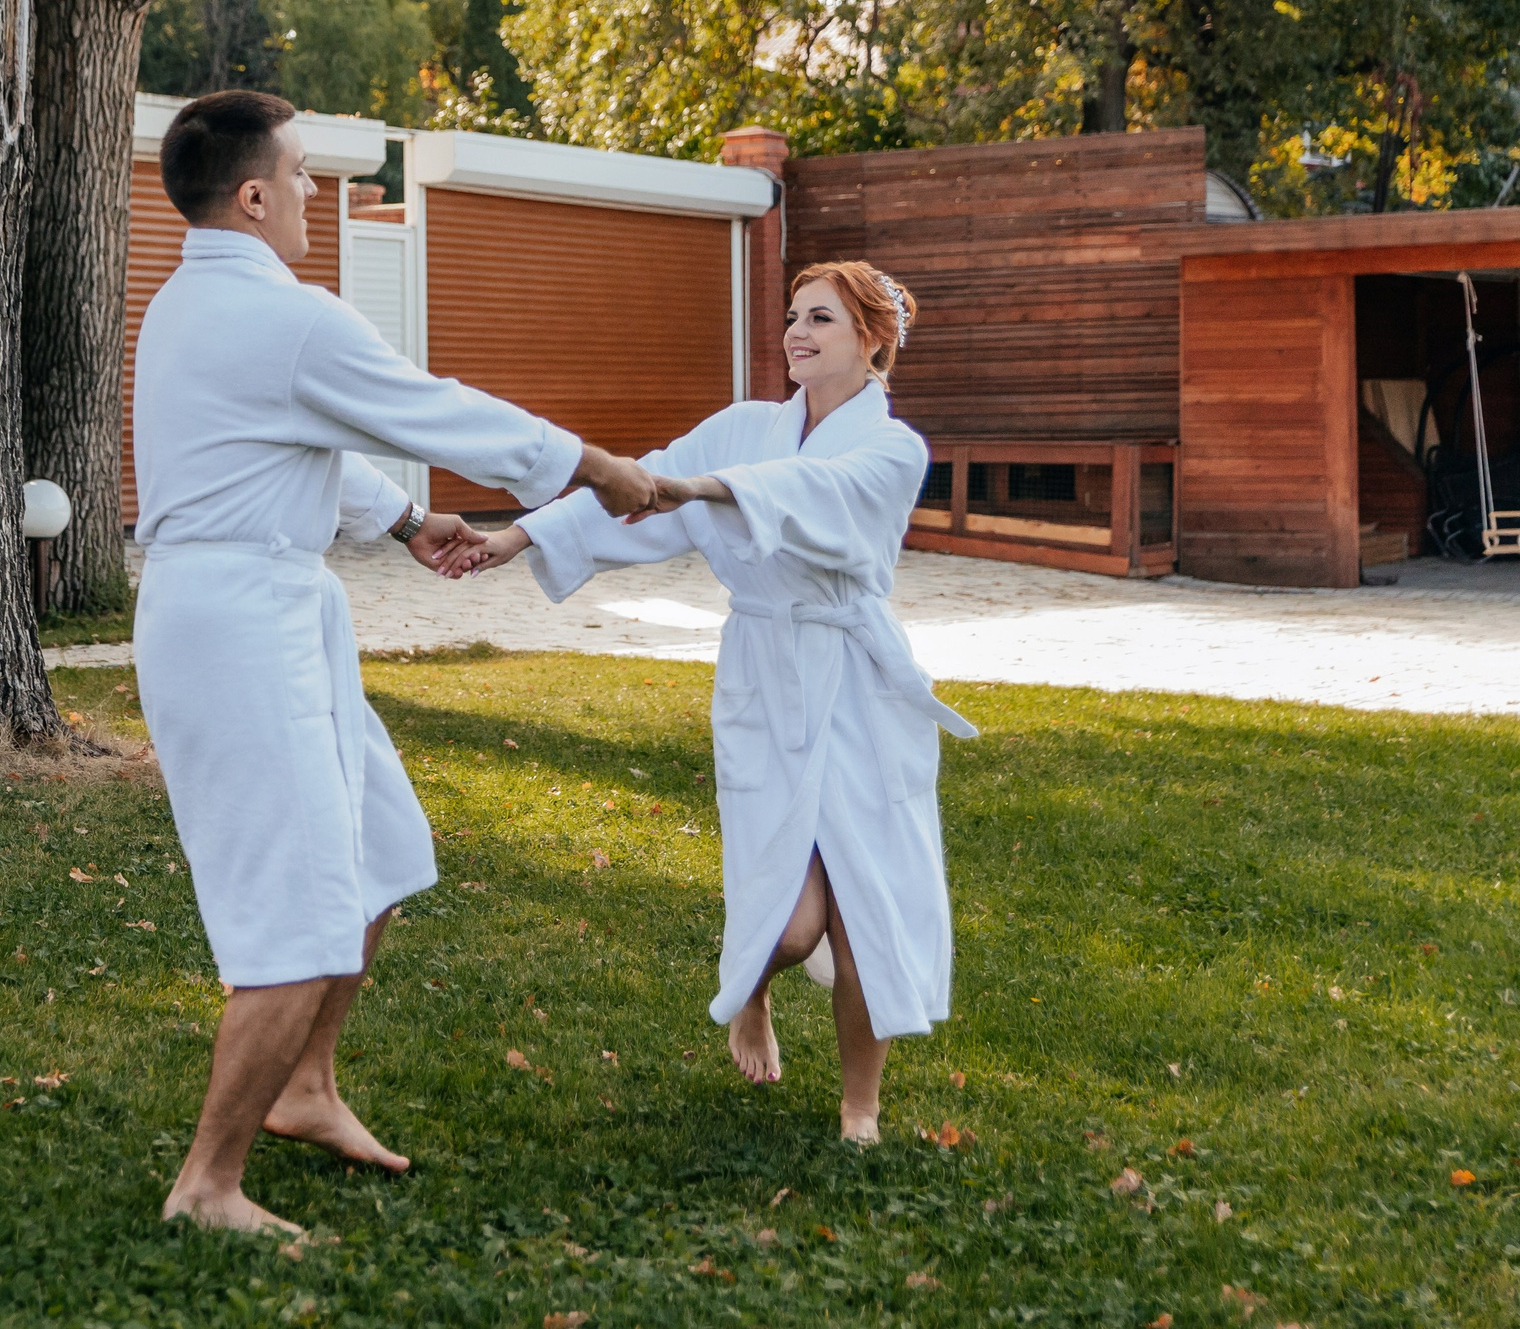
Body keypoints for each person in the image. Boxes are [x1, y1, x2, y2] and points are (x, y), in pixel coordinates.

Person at [133, 89, 666, 1232]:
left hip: (269, 603)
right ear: (256, 192)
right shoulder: (285, 314)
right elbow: (433, 407)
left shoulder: (195, 301)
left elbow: (291, 427)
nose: (318, 190)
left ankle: (306, 1089)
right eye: (304, 169)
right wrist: (594, 466)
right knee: (300, 911)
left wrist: (400, 521)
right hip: (236, 625)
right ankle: (206, 1185)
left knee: (379, 850)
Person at [446, 262, 975, 1143]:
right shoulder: (746, 427)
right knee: (793, 922)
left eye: (823, 320)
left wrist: (704, 490)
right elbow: (645, 483)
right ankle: (753, 992)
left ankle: (860, 1106)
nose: (797, 333)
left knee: (862, 909)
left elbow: (814, 497)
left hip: (855, 686)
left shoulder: (893, 447)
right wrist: (516, 534)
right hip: (766, 675)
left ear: (873, 341)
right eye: (794, 317)